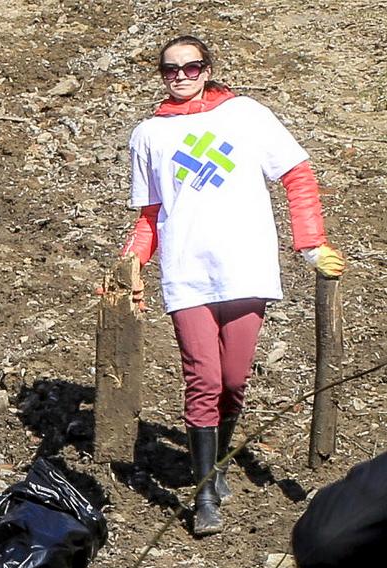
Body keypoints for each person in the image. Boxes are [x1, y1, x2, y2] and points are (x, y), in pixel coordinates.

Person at [118, 34, 346, 536]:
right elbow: (150, 214)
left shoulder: (245, 115)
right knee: (202, 378)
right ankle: (204, 499)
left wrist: (312, 245)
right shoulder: (149, 134)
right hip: (187, 273)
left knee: (233, 381)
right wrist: (129, 264)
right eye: (169, 69)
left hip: (245, 267)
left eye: (191, 66)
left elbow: (297, 174)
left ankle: (218, 463)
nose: (180, 76)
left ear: (208, 68)